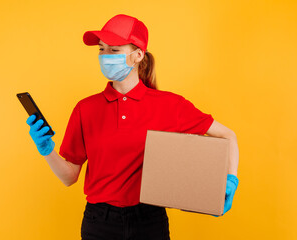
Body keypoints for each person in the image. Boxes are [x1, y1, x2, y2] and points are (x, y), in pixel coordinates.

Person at [26, 14, 239, 240]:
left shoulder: (170, 105)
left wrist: (230, 180)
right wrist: (47, 149)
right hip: (99, 223)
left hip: (149, 221)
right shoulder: (85, 109)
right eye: (101, 49)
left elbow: (228, 135)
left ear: (138, 55)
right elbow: (69, 177)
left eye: (114, 50)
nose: (105, 56)